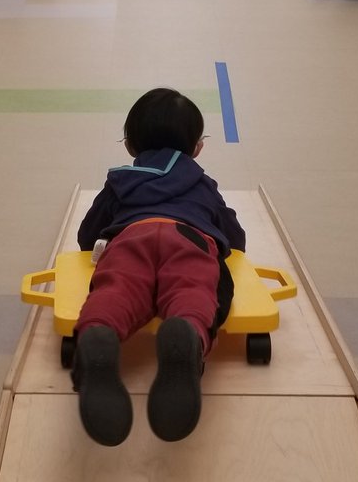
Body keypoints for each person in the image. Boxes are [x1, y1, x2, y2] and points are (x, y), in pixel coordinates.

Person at [71, 88, 246, 448]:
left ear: (129, 145)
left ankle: (98, 332)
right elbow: (235, 236)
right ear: (197, 147)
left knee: (117, 289)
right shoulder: (201, 182)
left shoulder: (119, 181)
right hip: (189, 237)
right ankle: (187, 332)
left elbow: (87, 236)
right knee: (195, 290)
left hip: (131, 235)